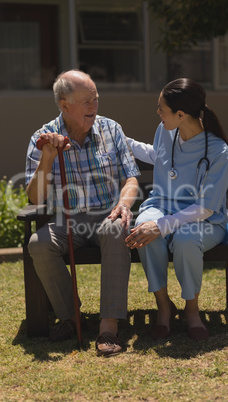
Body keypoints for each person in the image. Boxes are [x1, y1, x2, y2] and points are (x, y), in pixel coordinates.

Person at [26, 70, 139, 356]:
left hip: (107, 215)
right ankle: (71, 317)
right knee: (38, 244)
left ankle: (108, 328)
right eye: (86, 101)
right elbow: (35, 198)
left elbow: (131, 179)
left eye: (96, 99)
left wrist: (124, 204)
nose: (94, 106)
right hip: (67, 221)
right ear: (64, 105)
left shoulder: (111, 129)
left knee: (115, 229)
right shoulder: (43, 138)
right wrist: (47, 160)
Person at [126, 78, 228, 341]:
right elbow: (158, 156)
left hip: (205, 219)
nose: (158, 112)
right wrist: (121, 139)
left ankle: (192, 310)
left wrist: (162, 226)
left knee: (186, 239)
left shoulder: (219, 152)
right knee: (144, 230)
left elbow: (206, 208)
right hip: (161, 206)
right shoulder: (166, 130)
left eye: (161, 107)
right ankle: (164, 306)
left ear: (181, 114)